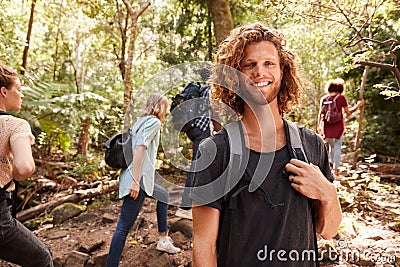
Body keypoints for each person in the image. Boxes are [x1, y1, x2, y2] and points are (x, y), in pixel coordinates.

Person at [189, 23, 342, 266]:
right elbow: (203, 245)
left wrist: (328, 193)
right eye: (249, 65)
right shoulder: (216, 151)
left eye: (269, 63)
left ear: (283, 71)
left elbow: (328, 230)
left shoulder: (311, 144)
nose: (260, 72)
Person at [106, 93, 180, 267]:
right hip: (137, 179)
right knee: (123, 228)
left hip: (140, 179)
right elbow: (139, 149)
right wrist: (135, 181)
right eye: (165, 107)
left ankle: (163, 239)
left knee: (164, 196)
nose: (167, 111)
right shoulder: (153, 122)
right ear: (159, 107)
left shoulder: (140, 121)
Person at [0, 63, 53, 266]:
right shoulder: (15, 124)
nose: (21, 95)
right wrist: (10, 173)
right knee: (42, 257)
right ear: (4, 92)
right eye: (19, 90)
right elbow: (25, 168)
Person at [175, 67, 221, 220]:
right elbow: (214, 113)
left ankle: (199, 202)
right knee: (197, 166)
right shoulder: (210, 91)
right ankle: (185, 206)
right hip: (202, 130)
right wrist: (220, 131)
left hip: (193, 130)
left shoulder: (200, 90)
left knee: (201, 164)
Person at [317, 78, 364, 176]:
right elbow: (348, 112)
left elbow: (320, 113)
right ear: (340, 88)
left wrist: (319, 126)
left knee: (331, 146)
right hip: (338, 126)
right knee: (338, 147)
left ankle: (330, 168)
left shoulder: (324, 99)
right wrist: (358, 105)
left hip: (327, 126)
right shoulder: (341, 98)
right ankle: (336, 169)